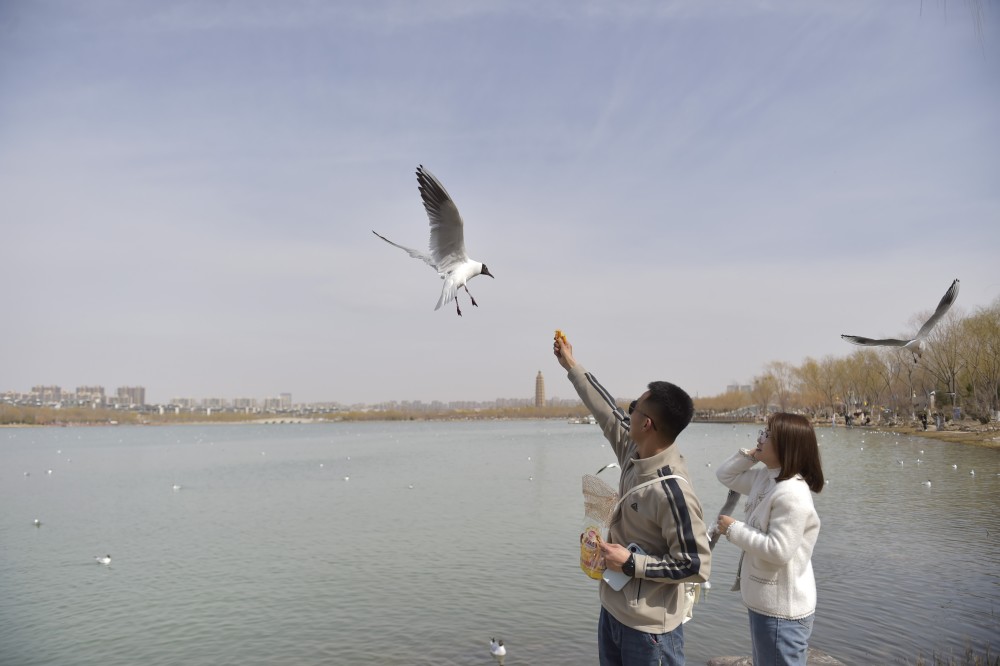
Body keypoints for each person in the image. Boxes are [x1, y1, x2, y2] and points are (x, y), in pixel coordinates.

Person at [554, 335, 711, 666]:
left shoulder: (673, 491)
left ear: (647, 424)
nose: (628, 413)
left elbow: (696, 564)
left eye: (634, 408)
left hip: (649, 632)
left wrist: (630, 562)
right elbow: (605, 409)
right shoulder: (633, 450)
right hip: (612, 611)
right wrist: (571, 365)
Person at [715, 413, 825, 666]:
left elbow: (778, 550)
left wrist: (734, 530)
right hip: (766, 606)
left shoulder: (791, 493)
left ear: (787, 445)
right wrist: (752, 455)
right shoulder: (767, 477)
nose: (760, 437)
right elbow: (725, 475)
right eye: (762, 432)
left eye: (768, 434)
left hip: (782, 613)